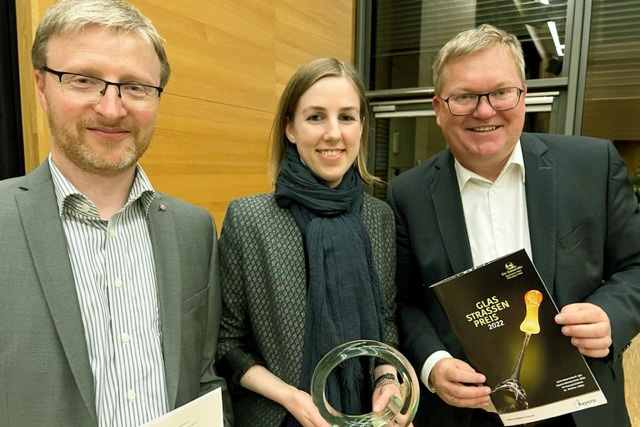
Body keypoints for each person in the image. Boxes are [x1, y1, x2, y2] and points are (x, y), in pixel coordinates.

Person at [386, 24, 640, 427]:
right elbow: (403, 301)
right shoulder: (406, 195)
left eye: (501, 92)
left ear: (524, 94)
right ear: (438, 108)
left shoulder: (594, 165)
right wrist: (432, 364)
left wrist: (610, 314)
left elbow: (635, 264)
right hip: (468, 411)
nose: (484, 110)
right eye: (465, 96)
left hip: (579, 406)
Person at [0, 1, 232, 426]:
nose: (111, 108)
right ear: (40, 86)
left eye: (135, 87)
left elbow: (204, 379)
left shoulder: (194, 231)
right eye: (84, 80)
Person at [216, 57, 407, 427]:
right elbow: (227, 345)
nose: (333, 133)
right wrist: (291, 397)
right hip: (283, 418)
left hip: (366, 417)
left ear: (362, 127)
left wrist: (386, 377)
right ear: (290, 128)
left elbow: (385, 322)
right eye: (316, 117)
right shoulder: (250, 218)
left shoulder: (378, 217)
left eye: (347, 117)